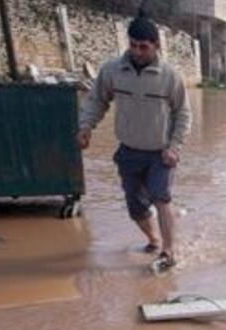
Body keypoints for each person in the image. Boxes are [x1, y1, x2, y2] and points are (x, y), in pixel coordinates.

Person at [77, 12, 191, 270]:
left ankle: (168, 251)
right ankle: (153, 239)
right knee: (135, 207)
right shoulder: (112, 71)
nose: (137, 51)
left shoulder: (170, 76)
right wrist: (86, 127)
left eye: (143, 46)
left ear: (156, 46)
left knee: (162, 198)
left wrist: (175, 147)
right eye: (133, 45)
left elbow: (183, 113)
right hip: (129, 151)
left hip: (160, 153)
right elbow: (97, 100)